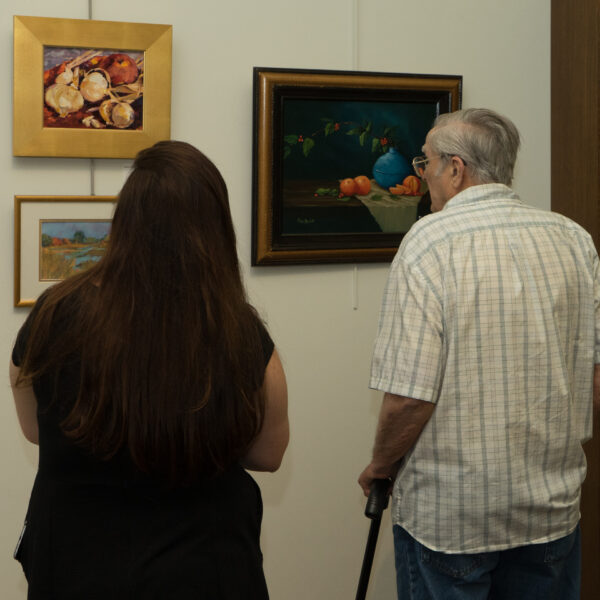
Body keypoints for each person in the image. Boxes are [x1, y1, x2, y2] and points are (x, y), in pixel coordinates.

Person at [10, 140, 289, 599]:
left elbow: (35, 427)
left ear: (125, 220)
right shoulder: (236, 328)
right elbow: (268, 454)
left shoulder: (52, 313)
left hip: (77, 568)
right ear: (215, 226)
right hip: (203, 570)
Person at [358, 108, 600, 599]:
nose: (421, 174)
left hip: (454, 519)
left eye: (424, 163)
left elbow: (410, 397)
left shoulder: (430, 241)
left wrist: (380, 465)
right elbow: (592, 380)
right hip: (549, 511)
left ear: (456, 168)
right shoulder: (573, 239)